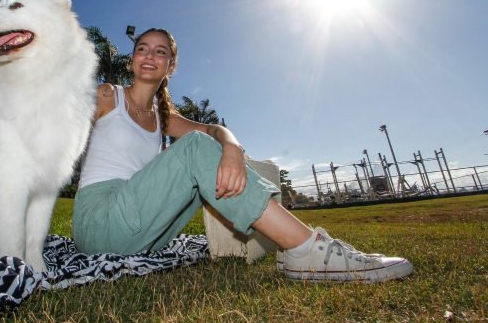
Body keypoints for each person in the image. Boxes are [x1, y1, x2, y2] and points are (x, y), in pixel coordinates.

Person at [73, 28, 413, 282]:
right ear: (133, 59)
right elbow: (56, 127)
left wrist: (232, 148)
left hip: (140, 233)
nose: (149, 56)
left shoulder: (165, 119)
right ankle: (306, 250)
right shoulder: (108, 96)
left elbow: (214, 131)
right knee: (193, 149)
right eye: (142, 49)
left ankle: (293, 243)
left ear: (170, 66)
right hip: (100, 222)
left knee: (204, 149)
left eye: (160, 52)